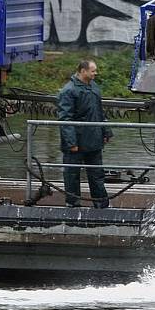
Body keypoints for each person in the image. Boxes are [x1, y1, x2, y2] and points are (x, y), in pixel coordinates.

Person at [58, 60, 113, 208]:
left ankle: (101, 203)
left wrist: (106, 131)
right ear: (83, 71)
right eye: (93, 71)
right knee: (72, 175)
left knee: (97, 175)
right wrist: (71, 143)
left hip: (94, 140)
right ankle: (72, 203)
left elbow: (99, 112)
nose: (96, 73)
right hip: (77, 142)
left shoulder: (94, 87)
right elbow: (65, 118)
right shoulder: (68, 91)